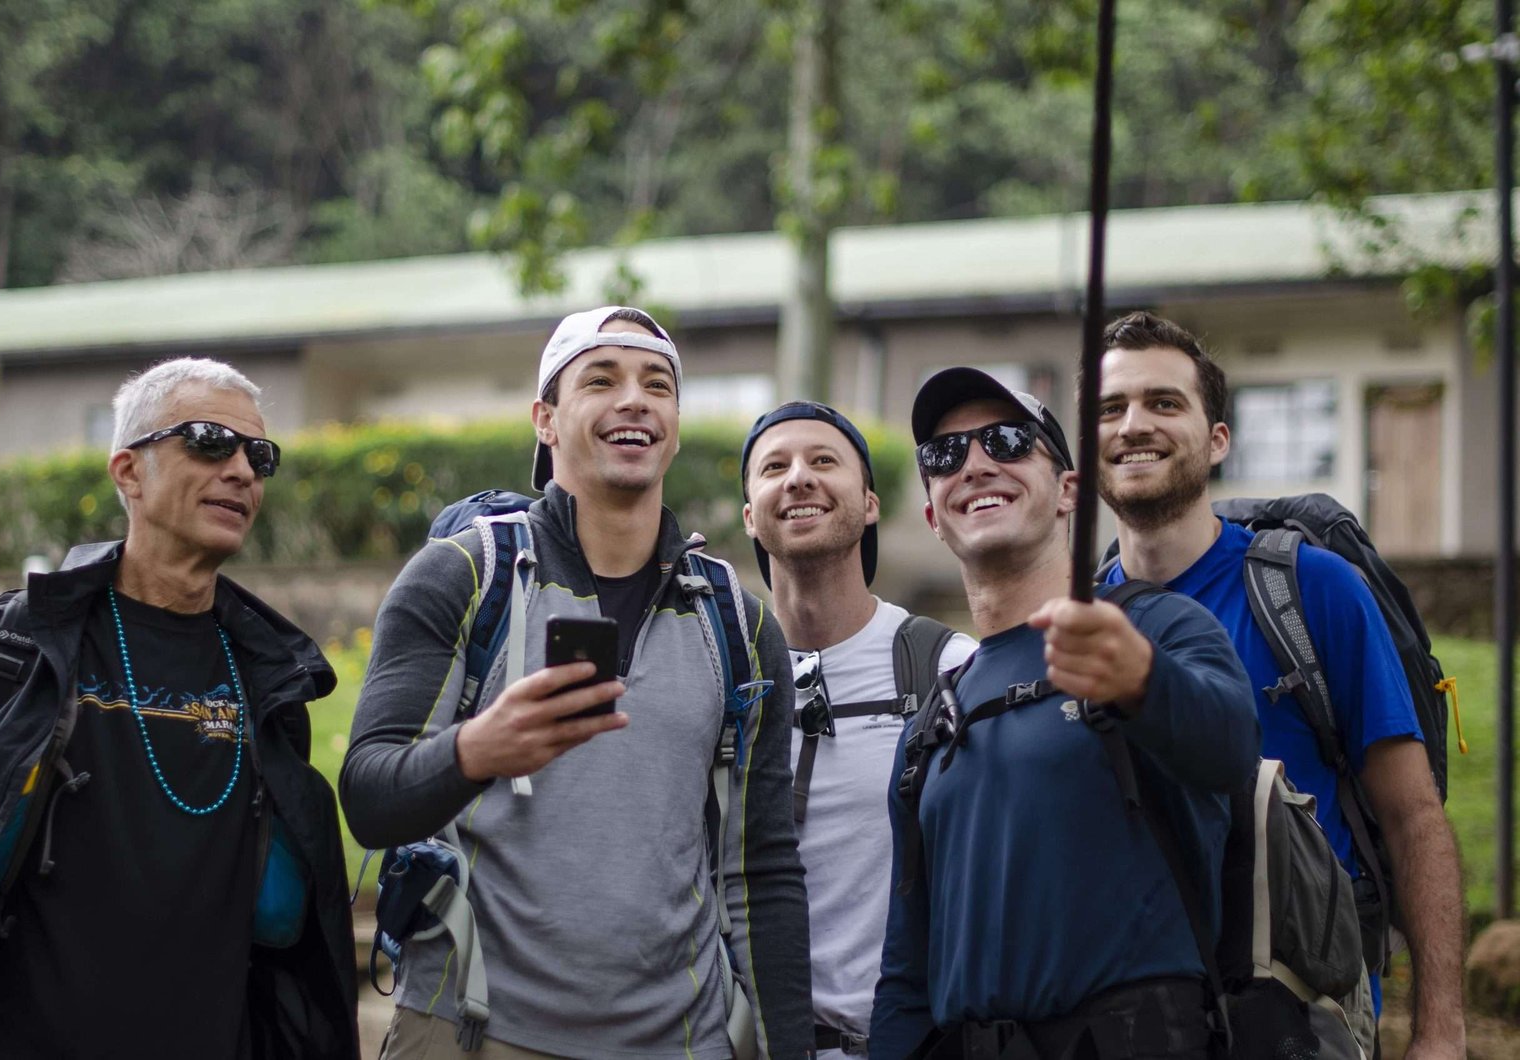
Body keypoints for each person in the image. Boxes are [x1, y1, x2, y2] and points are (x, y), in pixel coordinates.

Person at [341, 306, 812, 1058]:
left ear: (676, 426)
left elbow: (762, 869)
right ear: (546, 420)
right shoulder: (465, 575)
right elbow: (369, 795)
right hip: (471, 1028)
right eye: (602, 379)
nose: (635, 399)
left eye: (658, 385)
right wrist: (476, 751)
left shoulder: (739, 625)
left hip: (679, 1040)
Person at [0, 358, 359, 1060]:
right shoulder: (9, 653)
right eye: (211, 440)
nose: (243, 470)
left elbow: (282, 927)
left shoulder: (272, 680)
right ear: (129, 472)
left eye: (259, 453)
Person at [1095, 310, 1466, 1059]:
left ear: (1218, 440)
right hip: (1131, 1022)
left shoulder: (1309, 589)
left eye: (1164, 403)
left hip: (1302, 1019)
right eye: (1111, 408)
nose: (1134, 424)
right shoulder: (1079, 622)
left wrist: (1440, 1034)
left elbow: (1413, 816)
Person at [869, 368, 1259, 1059]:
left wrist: (1142, 678)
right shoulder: (930, 722)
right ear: (932, 514)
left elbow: (1228, 750)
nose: (976, 465)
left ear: (1069, 492)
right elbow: (906, 968)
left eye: (1009, 441)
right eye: (944, 455)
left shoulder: (1160, 626)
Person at [740, 401, 975, 1057]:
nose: (798, 479)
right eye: (774, 467)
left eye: (824, 461)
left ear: (869, 503)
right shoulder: (725, 674)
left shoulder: (945, 666)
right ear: (749, 517)